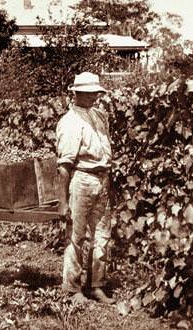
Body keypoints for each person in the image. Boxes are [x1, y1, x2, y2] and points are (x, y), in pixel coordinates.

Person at [56, 72, 115, 304]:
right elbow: (64, 166)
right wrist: (63, 202)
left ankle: (96, 286)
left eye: (95, 93)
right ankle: (72, 289)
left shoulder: (98, 116)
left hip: (102, 179)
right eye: (88, 93)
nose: (93, 97)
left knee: (102, 236)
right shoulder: (70, 122)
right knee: (76, 236)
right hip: (81, 179)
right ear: (76, 93)